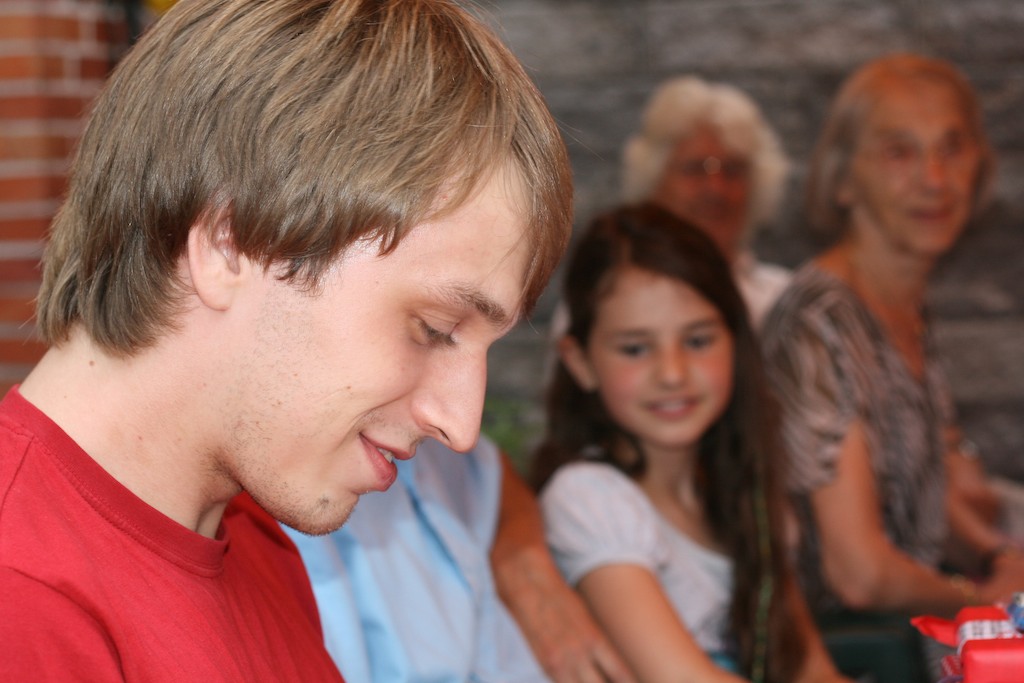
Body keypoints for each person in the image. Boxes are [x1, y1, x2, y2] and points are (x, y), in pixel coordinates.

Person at [0, 0, 572, 680]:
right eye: (435, 329)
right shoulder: (24, 600)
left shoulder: (254, 539)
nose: (461, 424)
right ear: (230, 244)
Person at [532, 203, 849, 683]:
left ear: (736, 343)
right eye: (635, 348)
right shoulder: (588, 499)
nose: (673, 374)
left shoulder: (744, 494)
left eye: (698, 341)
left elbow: (814, 672)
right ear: (580, 362)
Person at [760, 53, 1024, 629]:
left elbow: (922, 494)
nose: (935, 179)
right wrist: (988, 604)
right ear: (842, 179)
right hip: (835, 648)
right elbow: (858, 574)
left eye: (952, 148)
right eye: (899, 152)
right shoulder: (817, 322)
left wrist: (998, 556)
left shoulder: (903, 304)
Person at [286, 435, 635, 683]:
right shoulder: (295, 513)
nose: (465, 428)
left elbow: (486, 465)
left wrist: (523, 556)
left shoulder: (451, 455)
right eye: (427, 341)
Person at [621, 76, 792, 326]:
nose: (715, 189)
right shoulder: (612, 299)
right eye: (695, 168)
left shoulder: (786, 301)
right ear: (653, 180)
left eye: (732, 170)